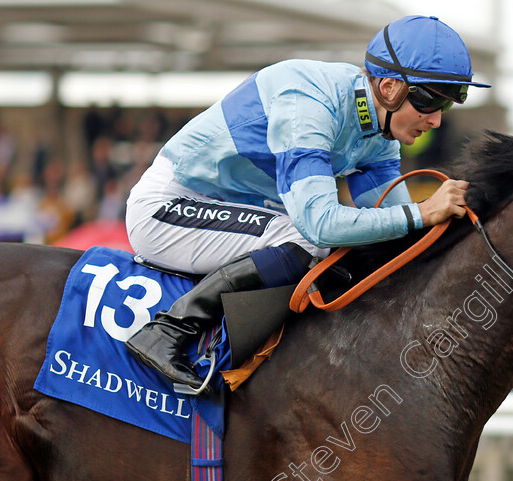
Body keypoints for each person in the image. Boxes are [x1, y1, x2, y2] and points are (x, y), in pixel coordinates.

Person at [123, 15, 491, 392]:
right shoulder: (309, 101)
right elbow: (320, 224)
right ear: (390, 87)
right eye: (429, 102)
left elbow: (396, 235)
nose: (435, 121)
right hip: (168, 208)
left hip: (230, 214)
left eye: (446, 106)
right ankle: (168, 331)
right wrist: (423, 210)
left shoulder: (379, 136)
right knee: (310, 240)